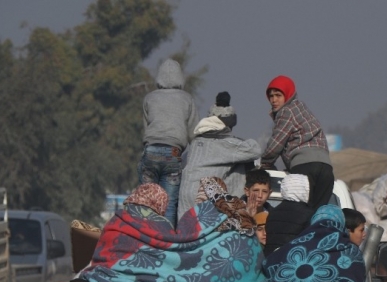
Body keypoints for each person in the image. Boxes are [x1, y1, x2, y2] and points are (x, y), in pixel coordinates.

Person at [62, 180, 267, 282]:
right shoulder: (242, 222)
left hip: (120, 277)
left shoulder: (116, 221)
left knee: (101, 276)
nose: (198, 200)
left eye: (200, 196)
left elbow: (175, 250)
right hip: (235, 281)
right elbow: (178, 250)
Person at [177, 92, 261, 220]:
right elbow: (255, 150)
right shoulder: (226, 143)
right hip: (206, 198)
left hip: (184, 199)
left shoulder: (195, 144)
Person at [138, 58, 199, 227]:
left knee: (147, 202)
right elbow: (194, 133)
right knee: (170, 203)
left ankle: (146, 238)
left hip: (150, 152)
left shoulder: (149, 98)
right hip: (173, 154)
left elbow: (146, 127)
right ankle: (167, 241)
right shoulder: (187, 99)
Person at [259, 75, 335, 211]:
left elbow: (275, 144)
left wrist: (265, 163)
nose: (274, 100)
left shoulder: (286, 111)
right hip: (326, 169)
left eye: (278, 95)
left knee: (300, 213)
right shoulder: (302, 110)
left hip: (305, 168)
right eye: (271, 96)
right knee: (317, 214)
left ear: (287, 95)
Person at [263, 174, 313, 256]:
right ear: (305, 189)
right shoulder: (308, 214)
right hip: (293, 261)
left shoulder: (272, 213)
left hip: (271, 260)